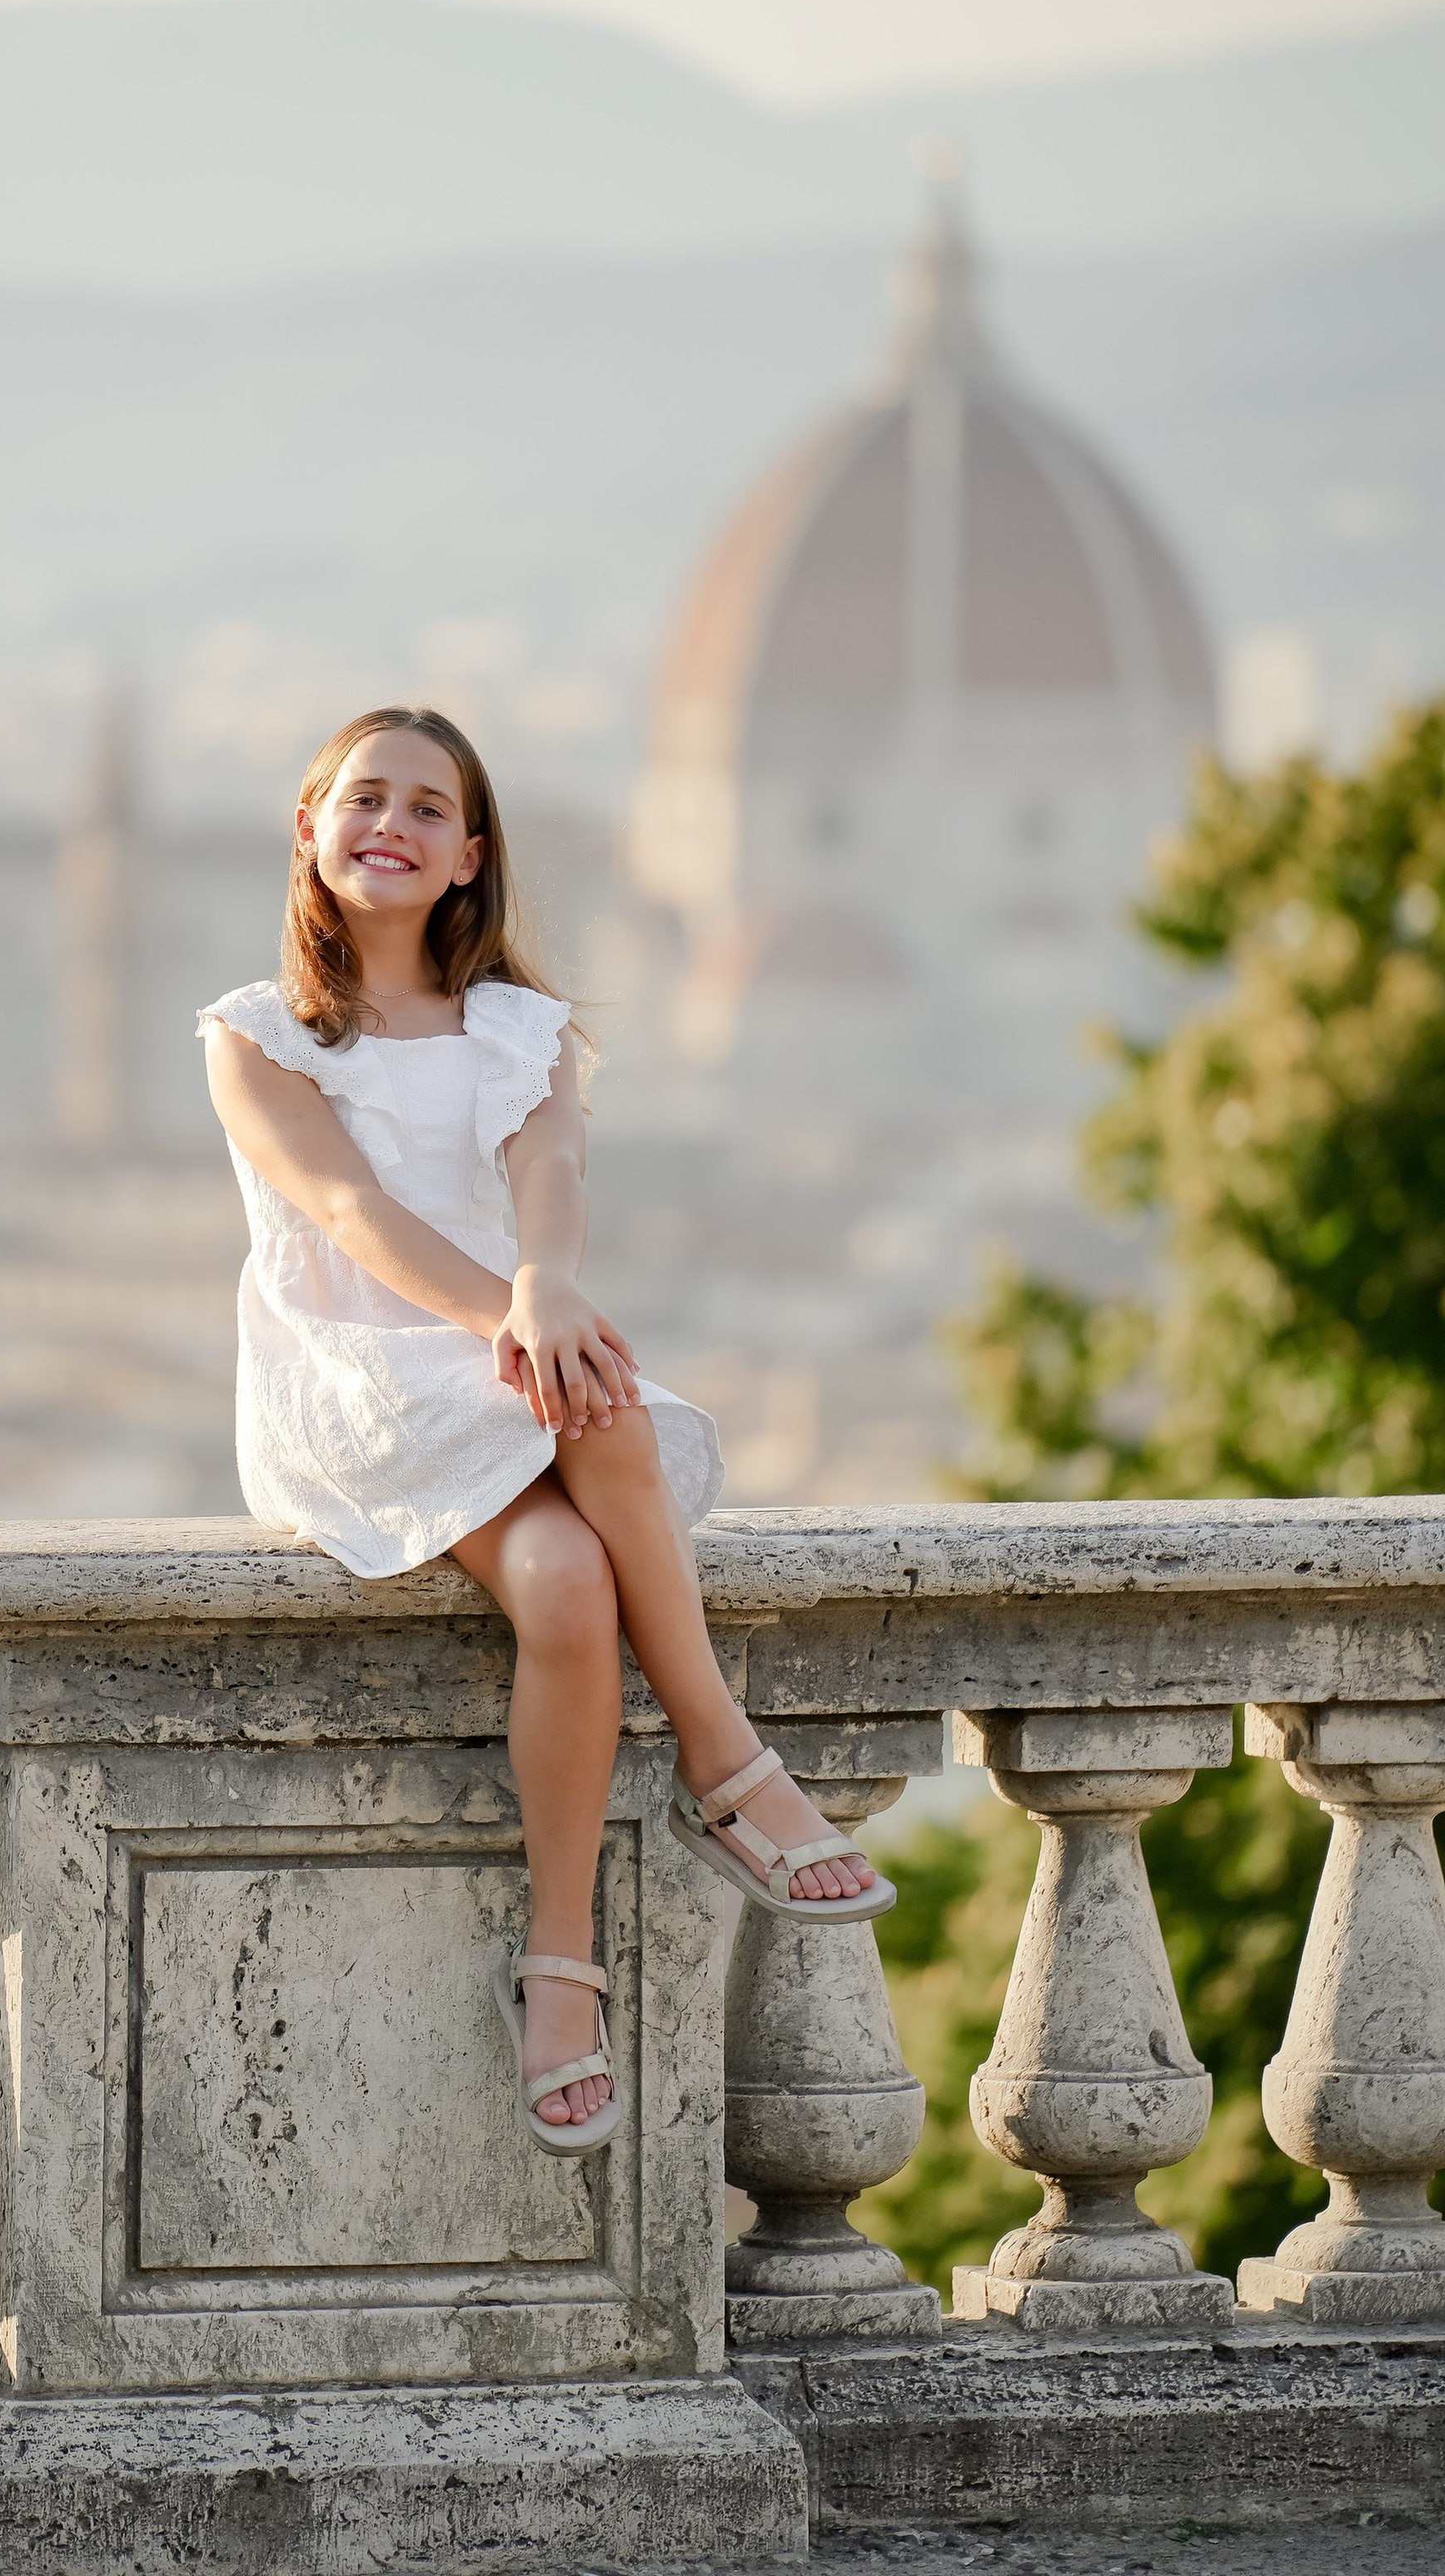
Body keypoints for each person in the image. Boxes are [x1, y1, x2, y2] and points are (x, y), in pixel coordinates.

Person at [198, 705, 890, 2161]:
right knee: (599, 1400)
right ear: (312, 836)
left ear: (469, 856)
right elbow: (347, 1214)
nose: (392, 823)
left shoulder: (521, 1030)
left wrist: (546, 1290)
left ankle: (558, 1963)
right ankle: (729, 1763)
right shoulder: (259, 1040)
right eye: (363, 799)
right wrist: (510, 1324)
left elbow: (550, 1170)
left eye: (427, 808)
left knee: (576, 1574)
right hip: (361, 1377)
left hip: (506, 1356)